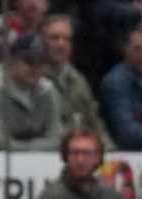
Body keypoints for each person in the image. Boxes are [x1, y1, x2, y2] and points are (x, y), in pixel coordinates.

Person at [40, 13, 109, 143]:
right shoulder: (33, 79)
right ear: (42, 40)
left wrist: (111, 151)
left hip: (83, 149)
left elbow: (94, 122)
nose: (61, 44)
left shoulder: (77, 79)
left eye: (67, 39)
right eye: (55, 38)